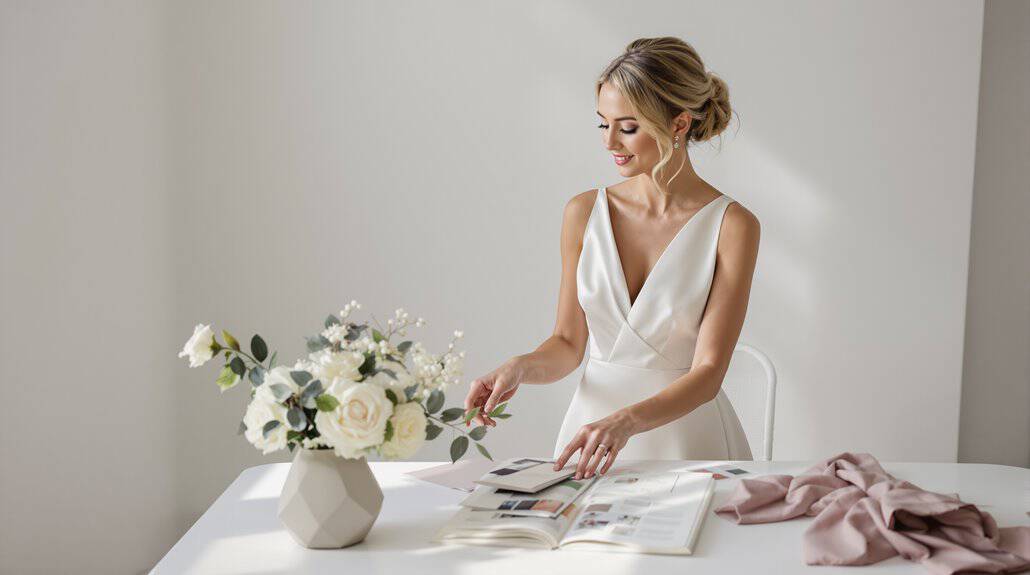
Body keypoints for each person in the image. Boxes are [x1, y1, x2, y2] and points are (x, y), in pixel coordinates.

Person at [463, 36, 759, 481]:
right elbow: (566, 344)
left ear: (679, 124)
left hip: (689, 440)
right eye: (603, 124)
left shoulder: (733, 225)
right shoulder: (583, 213)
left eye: (628, 126)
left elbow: (709, 372)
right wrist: (518, 367)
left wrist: (626, 422)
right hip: (589, 437)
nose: (610, 142)